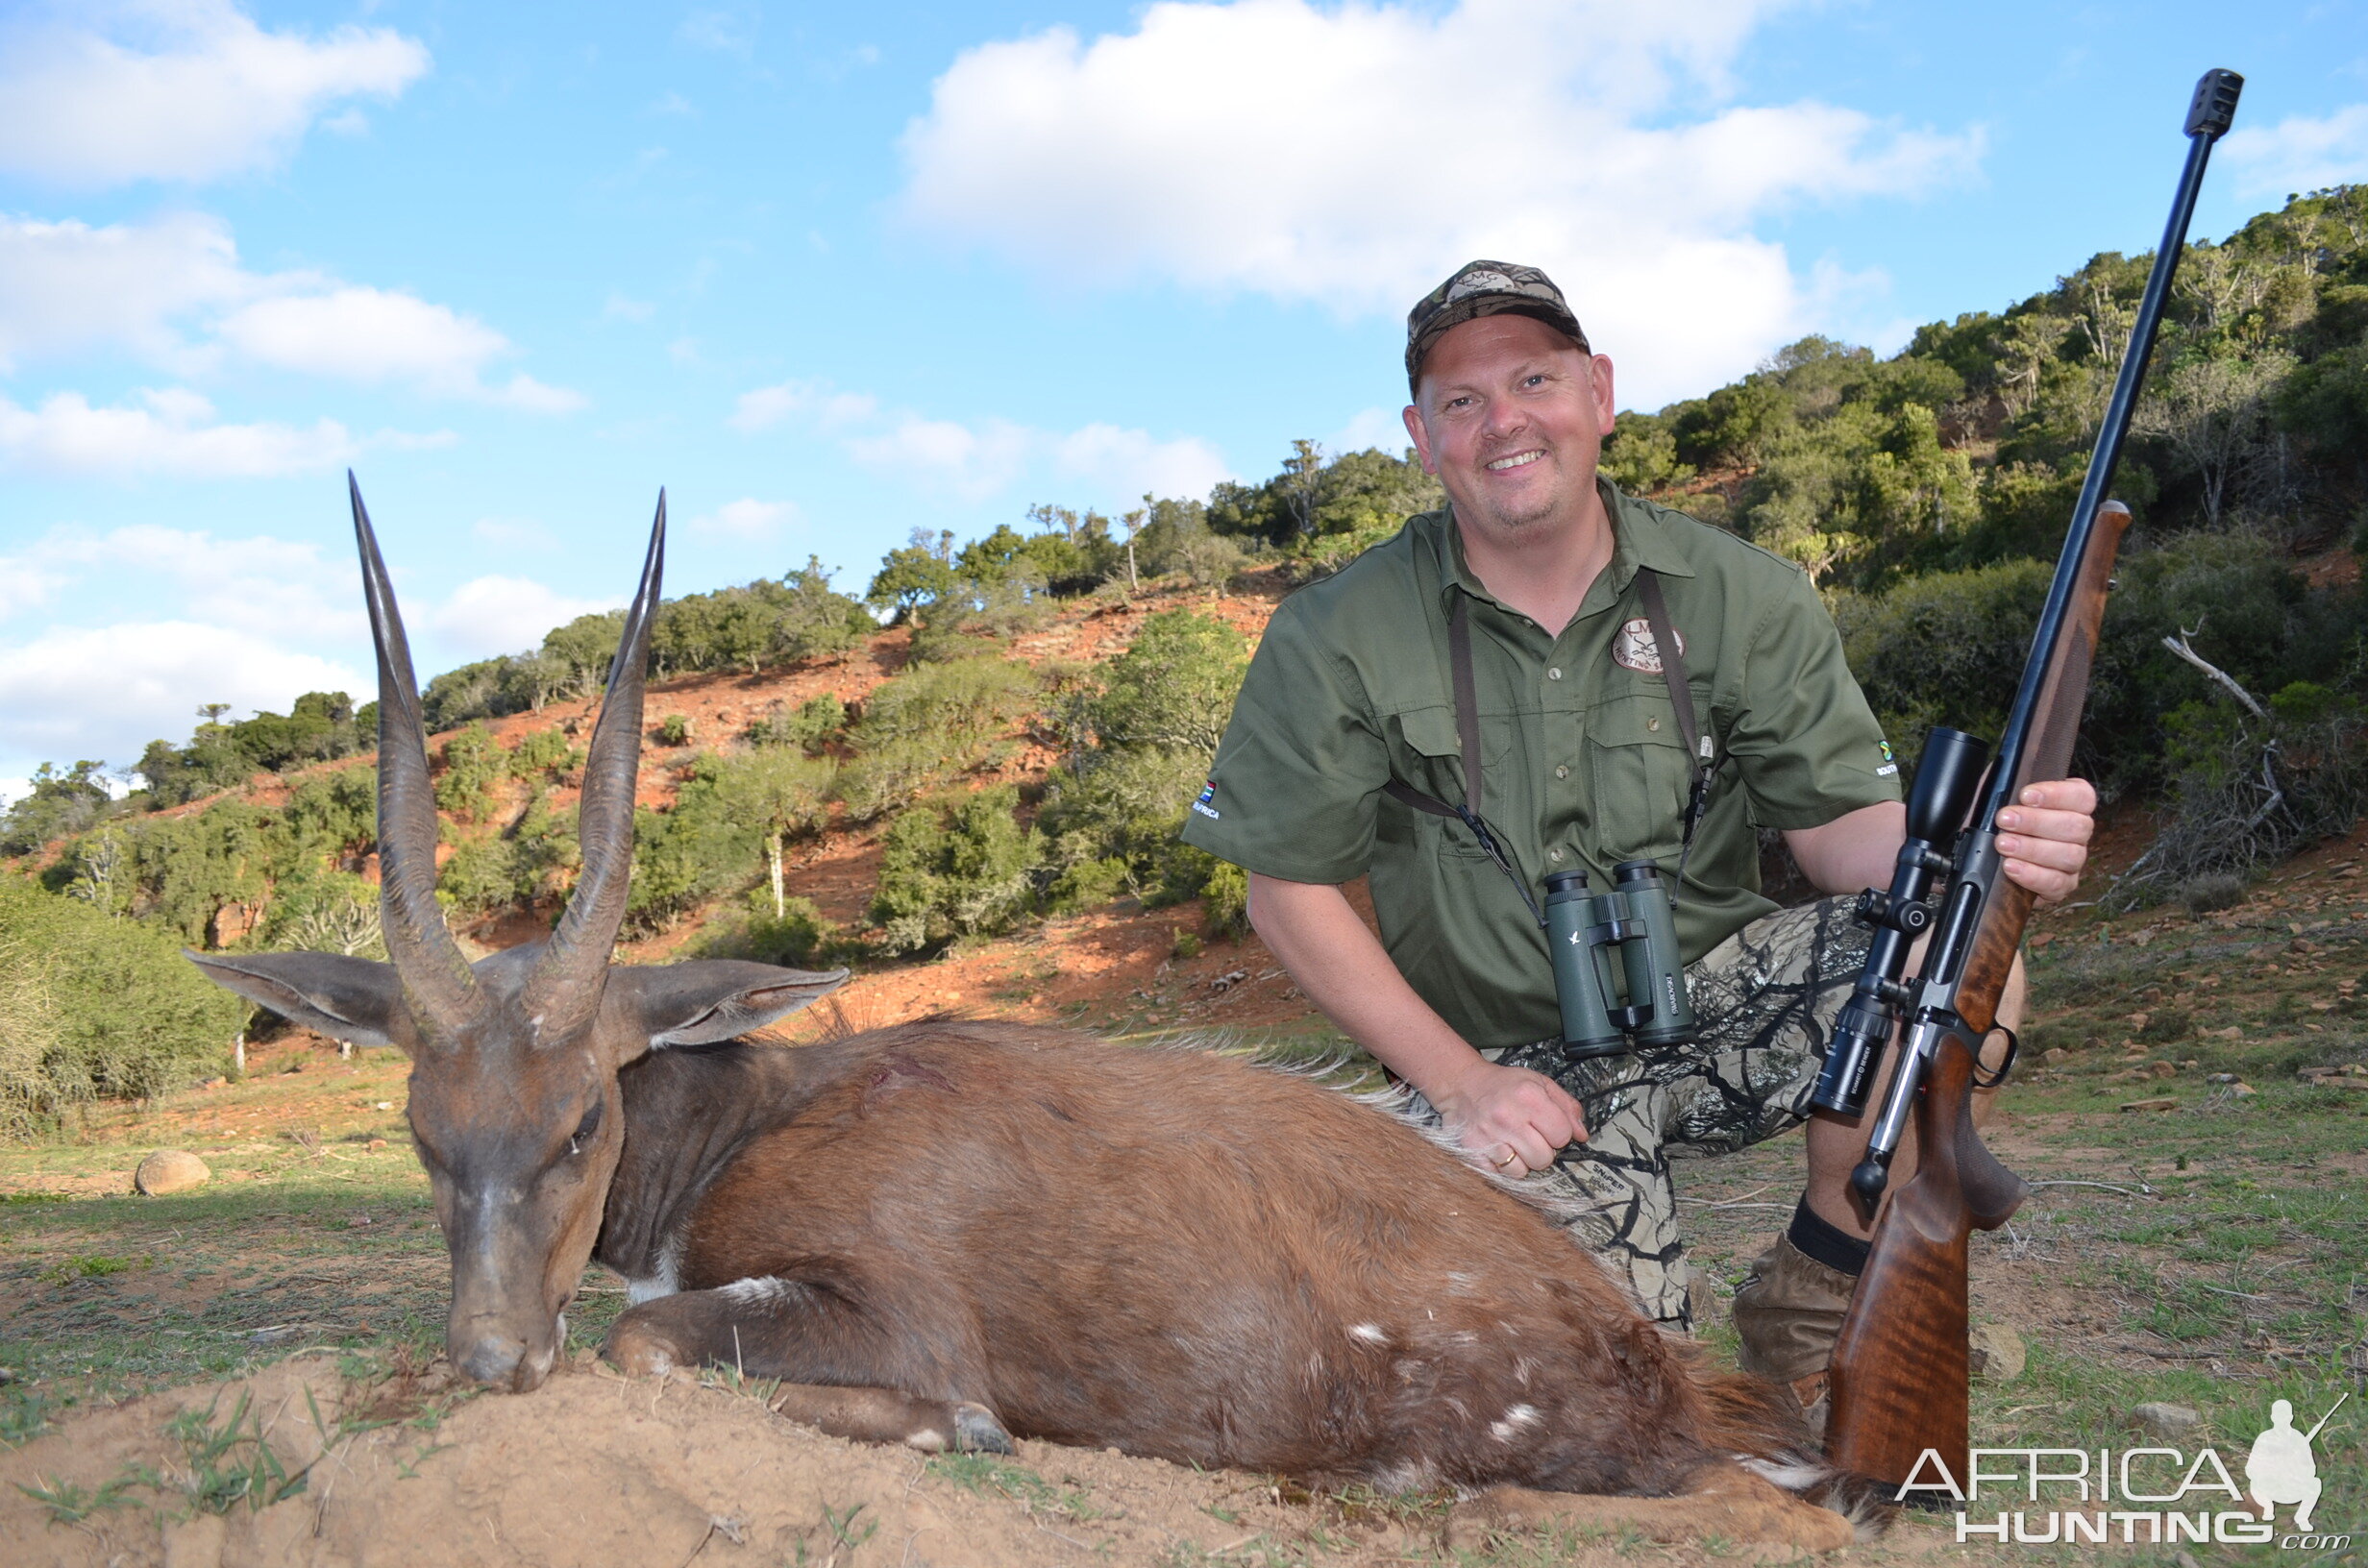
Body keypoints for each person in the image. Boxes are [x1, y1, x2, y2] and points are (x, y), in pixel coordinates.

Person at [1178, 260, 2095, 1414]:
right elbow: (1290, 895)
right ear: (1422, 437)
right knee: (1621, 1407)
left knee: (1957, 955)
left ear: (1599, 393)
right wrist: (1462, 1086)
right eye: (1461, 402)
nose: (1502, 421)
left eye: (1533, 379)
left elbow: (1842, 833)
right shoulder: (1333, 632)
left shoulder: (1742, 592)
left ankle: (1816, 1297)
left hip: (1717, 1005)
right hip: (1505, 1074)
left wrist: (1988, 865)